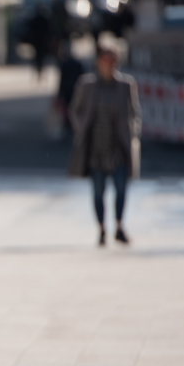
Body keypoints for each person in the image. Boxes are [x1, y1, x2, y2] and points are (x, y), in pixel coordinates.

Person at [68, 46, 141, 246]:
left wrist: (133, 132)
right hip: (96, 148)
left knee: (121, 188)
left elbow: (135, 112)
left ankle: (119, 226)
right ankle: (101, 228)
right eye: (105, 61)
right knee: (98, 191)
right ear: (99, 63)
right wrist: (80, 127)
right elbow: (75, 109)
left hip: (118, 147)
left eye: (112, 61)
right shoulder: (88, 85)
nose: (108, 66)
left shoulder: (126, 85)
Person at [55, 42, 84, 140]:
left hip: (71, 91)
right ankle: (70, 128)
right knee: (70, 110)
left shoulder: (67, 64)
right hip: (73, 90)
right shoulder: (74, 64)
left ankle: (70, 127)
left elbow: (62, 80)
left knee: (70, 110)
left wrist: (60, 93)